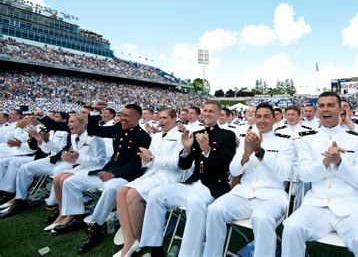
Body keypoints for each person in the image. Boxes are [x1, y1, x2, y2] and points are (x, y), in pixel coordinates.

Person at [282, 92, 358, 257]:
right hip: (316, 205)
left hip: (351, 208)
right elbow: (304, 175)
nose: (325, 109)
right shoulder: (307, 140)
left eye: (330, 105)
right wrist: (325, 162)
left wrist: (339, 163)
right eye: (321, 106)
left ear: (340, 110)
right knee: (291, 228)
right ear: (317, 111)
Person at [140, 100, 236, 257]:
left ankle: (188, 254)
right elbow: (184, 165)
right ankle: (155, 248)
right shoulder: (197, 134)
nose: (207, 113)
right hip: (193, 182)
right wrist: (186, 148)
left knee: (194, 201)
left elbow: (225, 166)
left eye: (211, 111)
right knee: (156, 194)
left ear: (219, 114)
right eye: (205, 110)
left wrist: (207, 151)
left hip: (213, 186)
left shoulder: (227, 135)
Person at [204, 103, 294, 257]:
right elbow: (233, 170)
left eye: (266, 116)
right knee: (214, 210)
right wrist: (245, 155)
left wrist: (260, 152)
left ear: (274, 119)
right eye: (259, 116)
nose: (262, 120)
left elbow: (284, 174)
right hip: (244, 194)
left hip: (271, 196)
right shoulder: (247, 140)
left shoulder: (285, 142)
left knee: (261, 217)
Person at [60, 102, 151, 254]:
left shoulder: (143, 137)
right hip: (108, 171)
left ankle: (95, 226)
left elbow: (136, 165)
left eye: (127, 116)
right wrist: (96, 111)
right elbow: (94, 129)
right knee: (70, 182)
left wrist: (114, 174)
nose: (123, 118)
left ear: (138, 118)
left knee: (110, 188)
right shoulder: (117, 128)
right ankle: (75, 215)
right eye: (122, 115)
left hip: (127, 177)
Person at [114, 108, 184, 257]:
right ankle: (129, 239)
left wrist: (152, 159)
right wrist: (146, 160)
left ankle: (139, 239)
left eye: (165, 118)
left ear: (174, 119)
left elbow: (178, 163)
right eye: (159, 118)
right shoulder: (157, 136)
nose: (161, 121)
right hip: (153, 173)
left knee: (132, 194)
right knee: (121, 192)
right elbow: (149, 161)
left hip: (170, 176)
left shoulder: (180, 137)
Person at [45, 114, 107, 231]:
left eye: (72, 122)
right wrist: (70, 158)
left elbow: (102, 161)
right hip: (83, 167)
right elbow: (76, 159)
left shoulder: (95, 138)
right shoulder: (74, 137)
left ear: (83, 124)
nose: (69, 124)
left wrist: (78, 157)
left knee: (65, 180)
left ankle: (73, 215)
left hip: (94, 170)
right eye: (69, 122)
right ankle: (62, 213)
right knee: (58, 178)